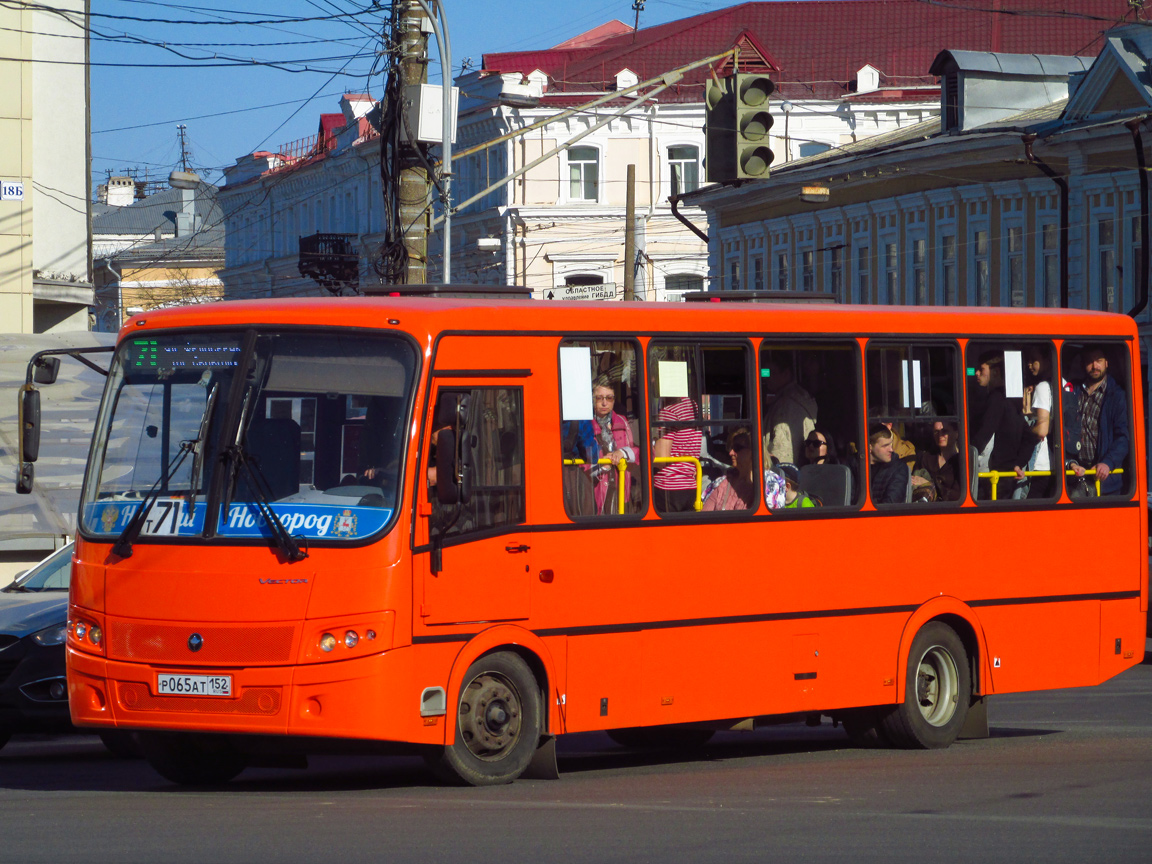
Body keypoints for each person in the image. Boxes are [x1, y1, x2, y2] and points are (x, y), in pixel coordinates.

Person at [1063, 346, 1129, 496]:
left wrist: (1108, 463)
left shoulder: (1117, 395)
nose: (1094, 366)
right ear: (1082, 365)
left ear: (1106, 363)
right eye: (1089, 362)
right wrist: (1071, 463)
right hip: (1076, 476)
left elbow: (1124, 437)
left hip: (1105, 481)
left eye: (1098, 361)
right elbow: (1065, 429)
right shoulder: (1073, 390)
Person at [969, 352, 1034, 500]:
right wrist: (1018, 464)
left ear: (996, 372)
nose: (977, 373)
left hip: (992, 478)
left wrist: (965, 454)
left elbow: (984, 434)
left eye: (981, 369)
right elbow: (1030, 437)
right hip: (1008, 476)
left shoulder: (995, 399)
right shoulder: (1011, 402)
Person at [576, 377, 636, 514]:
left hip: (620, 488)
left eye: (609, 398)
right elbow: (578, 459)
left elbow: (639, 450)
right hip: (594, 490)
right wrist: (601, 466)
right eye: (599, 398)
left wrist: (623, 452)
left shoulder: (622, 421)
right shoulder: (584, 423)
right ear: (592, 400)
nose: (604, 403)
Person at [762, 357, 818, 467]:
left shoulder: (788, 406)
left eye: (769, 373)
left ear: (786, 374)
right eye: (764, 374)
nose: (766, 378)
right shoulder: (785, 400)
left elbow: (783, 449)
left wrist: (776, 473)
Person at [1013, 347, 1053, 498]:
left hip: (1039, 463)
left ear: (1047, 361)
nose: (1029, 365)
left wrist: (1024, 432)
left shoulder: (1042, 387)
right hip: (1057, 462)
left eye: (1034, 360)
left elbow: (1042, 429)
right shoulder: (1064, 385)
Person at [653, 395, 703, 512]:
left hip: (668, 486)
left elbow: (662, 458)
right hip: (691, 485)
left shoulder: (669, 411)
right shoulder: (694, 407)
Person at [702, 428, 756, 511]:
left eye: (737, 448)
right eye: (731, 448)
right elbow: (704, 516)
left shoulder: (768, 484)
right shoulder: (723, 482)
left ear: (753, 451)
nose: (730, 453)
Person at [912, 420, 962, 502]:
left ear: (956, 433)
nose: (940, 435)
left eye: (944, 431)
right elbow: (915, 481)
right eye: (936, 431)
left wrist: (930, 485)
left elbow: (958, 496)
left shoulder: (962, 461)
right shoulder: (926, 458)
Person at [869, 422, 909, 504]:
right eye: (885, 446)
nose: (891, 449)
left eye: (890, 444)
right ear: (869, 447)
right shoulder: (854, 465)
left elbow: (891, 504)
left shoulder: (898, 468)